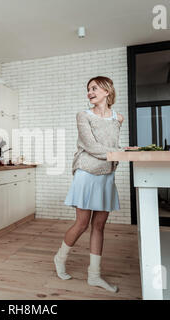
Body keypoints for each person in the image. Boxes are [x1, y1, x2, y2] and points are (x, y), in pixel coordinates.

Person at [54, 76, 123, 293]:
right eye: (88, 89)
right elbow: (91, 145)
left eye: (94, 88)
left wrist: (121, 152)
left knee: (99, 226)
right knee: (82, 223)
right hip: (86, 172)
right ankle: (60, 258)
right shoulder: (83, 115)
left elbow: (113, 144)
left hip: (106, 174)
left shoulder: (117, 118)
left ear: (106, 91)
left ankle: (94, 276)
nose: (90, 92)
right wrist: (119, 153)